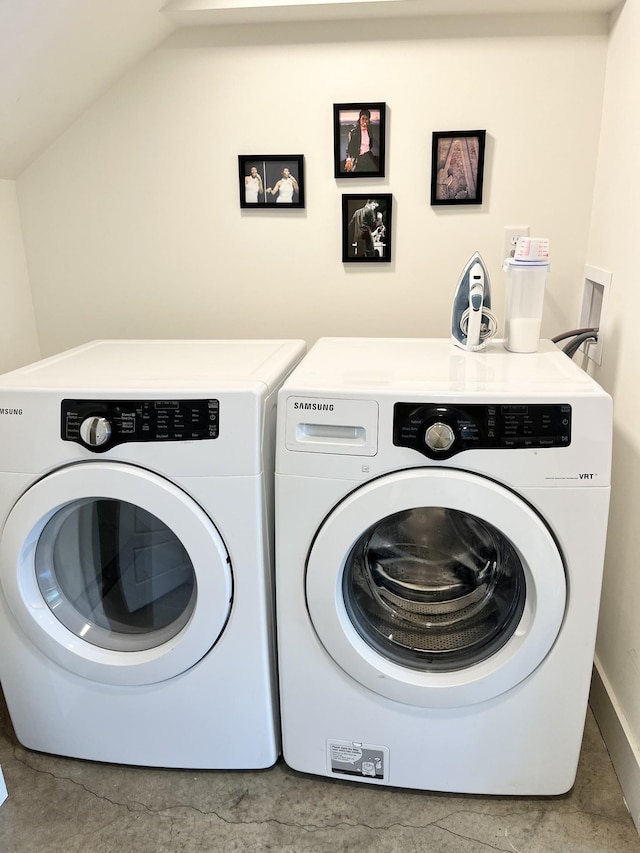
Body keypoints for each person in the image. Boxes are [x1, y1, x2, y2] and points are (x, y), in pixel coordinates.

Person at [344, 109, 379, 173]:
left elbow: (370, 144)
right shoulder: (353, 132)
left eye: (367, 119)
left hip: (368, 156)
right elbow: (348, 148)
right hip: (358, 158)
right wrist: (349, 160)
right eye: (363, 118)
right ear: (359, 119)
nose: (365, 121)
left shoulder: (370, 130)